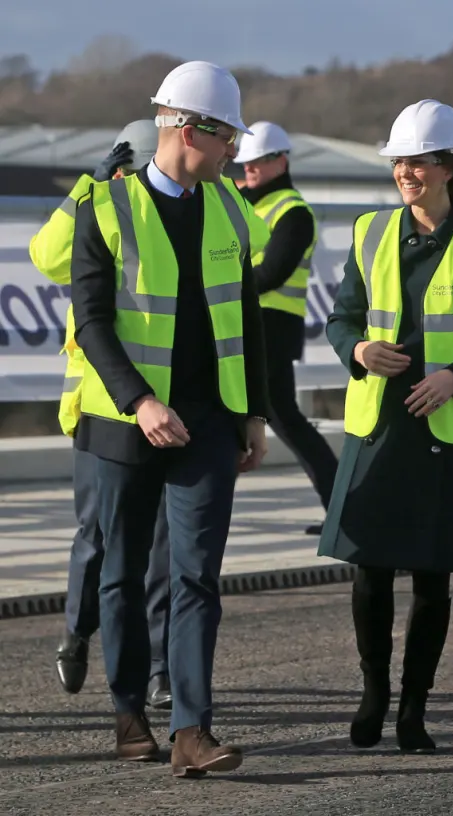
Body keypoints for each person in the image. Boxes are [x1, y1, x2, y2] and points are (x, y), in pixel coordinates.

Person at [70, 60, 269, 776]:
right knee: (121, 574)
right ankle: (128, 710)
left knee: (196, 577)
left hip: (209, 423)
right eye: (228, 141)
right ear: (193, 130)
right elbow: (90, 323)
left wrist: (253, 414)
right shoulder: (105, 207)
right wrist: (140, 401)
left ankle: (192, 731)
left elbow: (246, 316)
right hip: (125, 424)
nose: (234, 155)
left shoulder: (228, 209)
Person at [318, 99, 453, 753]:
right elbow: (341, 317)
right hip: (379, 422)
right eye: (399, 161)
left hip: (444, 426)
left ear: (447, 167)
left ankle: (413, 710)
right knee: (369, 573)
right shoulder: (369, 232)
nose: (406, 171)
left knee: (433, 580)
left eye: (418, 161)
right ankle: (373, 693)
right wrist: (356, 350)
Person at [29, 120, 173, 710]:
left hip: (168, 411)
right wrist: (82, 190)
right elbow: (46, 256)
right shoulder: (100, 207)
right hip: (100, 411)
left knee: (165, 546)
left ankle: (161, 670)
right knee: (97, 537)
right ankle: (77, 631)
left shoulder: (179, 214)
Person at [235, 122, 338, 535]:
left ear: (282, 160)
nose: (250, 169)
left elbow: (273, 273)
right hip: (246, 328)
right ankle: (342, 507)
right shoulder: (243, 202)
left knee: (280, 419)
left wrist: (221, 290)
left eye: (259, 161)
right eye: (245, 163)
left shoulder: (293, 212)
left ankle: (341, 506)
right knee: (279, 419)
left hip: (270, 331)